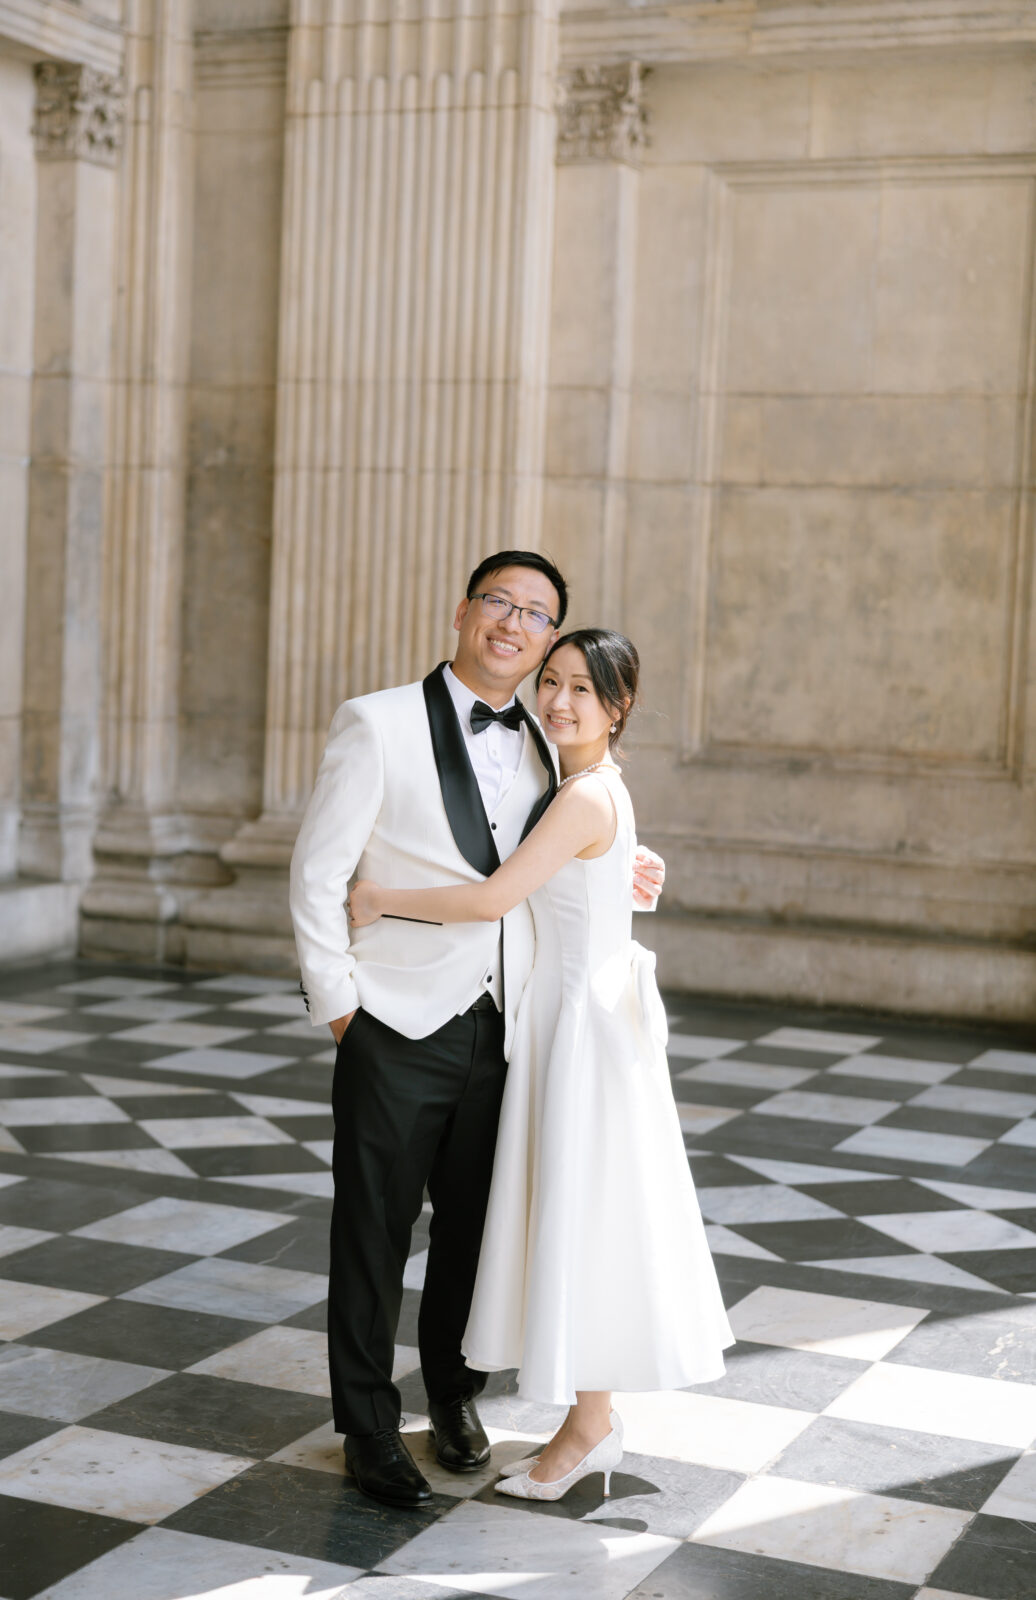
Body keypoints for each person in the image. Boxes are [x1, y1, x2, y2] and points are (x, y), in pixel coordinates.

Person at [289, 554, 665, 1509]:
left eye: (536, 613)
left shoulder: (551, 733)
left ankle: (454, 1397)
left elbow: (548, 853)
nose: (514, 622)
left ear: (550, 638)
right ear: (464, 612)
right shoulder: (375, 722)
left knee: (474, 1227)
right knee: (372, 1231)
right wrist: (342, 1007)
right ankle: (368, 1426)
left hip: (512, 1029)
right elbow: (316, 874)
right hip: (395, 1020)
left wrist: (627, 864)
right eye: (499, 601)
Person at [347, 628, 734, 1502]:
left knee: (586, 1219)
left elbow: (492, 897)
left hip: (582, 1035)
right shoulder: (586, 787)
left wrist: (377, 898)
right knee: (583, 1215)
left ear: (618, 706)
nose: (558, 702)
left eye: (582, 692)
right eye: (550, 683)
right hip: (574, 1020)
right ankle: (586, 1419)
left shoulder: (581, 798)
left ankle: (590, 1425)